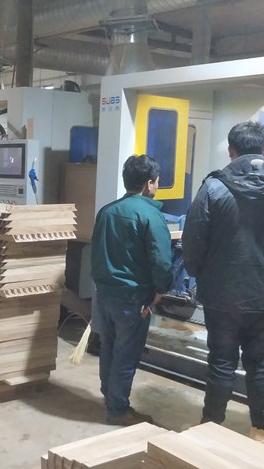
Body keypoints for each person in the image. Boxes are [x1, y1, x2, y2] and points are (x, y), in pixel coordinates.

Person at [182, 121, 264, 444]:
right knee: (261, 361)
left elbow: (192, 242)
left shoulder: (212, 189)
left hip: (221, 296)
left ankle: (210, 427)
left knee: (221, 361)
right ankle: (260, 429)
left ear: (231, 151)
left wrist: (198, 273)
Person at [90, 154, 173, 426]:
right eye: (157, 182)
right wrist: (162, 288)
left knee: (109, 347)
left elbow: (96, 253)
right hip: (133, 298)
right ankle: (118, 410)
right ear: (149, 184)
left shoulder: (107, 211)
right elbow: (161, 260)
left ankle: (110, 397)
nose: (157, 186)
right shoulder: (151, 215)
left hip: (104, 294)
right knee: (126, 353)